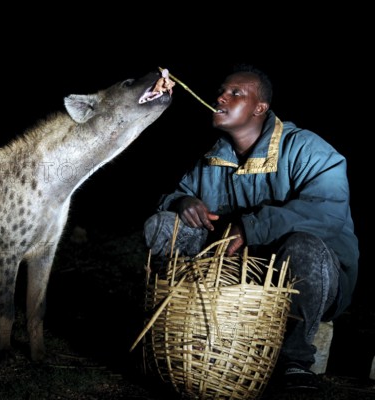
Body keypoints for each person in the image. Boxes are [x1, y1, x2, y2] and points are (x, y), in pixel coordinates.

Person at [143, 64, 359, 391]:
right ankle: (172, 332)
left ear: (260, 108)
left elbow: (327, 212)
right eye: (221, 91)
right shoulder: (214, 159)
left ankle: (295, 363)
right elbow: (179, 195)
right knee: (164, 226)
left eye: (235, 93)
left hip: (316, 280)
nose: (220, 97)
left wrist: (248, 228)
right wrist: (181, 203)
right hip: (239, 273)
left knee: (303, 245)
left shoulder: (308, 150)